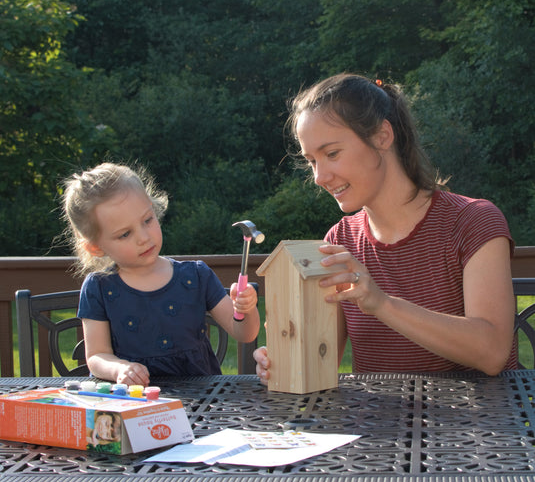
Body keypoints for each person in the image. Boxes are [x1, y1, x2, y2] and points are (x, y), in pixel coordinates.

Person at [254, 73, 516, 380]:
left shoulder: (473, 221)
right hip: (376, 426)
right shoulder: (339, 240)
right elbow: (320, 362)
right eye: (312, 161)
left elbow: (493, 352)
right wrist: (284, 356)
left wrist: (381, 304)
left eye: (332, 154)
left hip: (475, 425)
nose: (319, 177)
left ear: (382, 136)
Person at [62, 162, 260, 386]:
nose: (143, 237)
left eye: (147, 220)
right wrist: (119, 368)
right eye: (125, 234)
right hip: (134, 404)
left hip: (201, 404)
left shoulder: (195, 276)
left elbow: (245, 334)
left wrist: (247, 309)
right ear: (95, 247)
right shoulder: (99, 287)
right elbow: (97, 356)